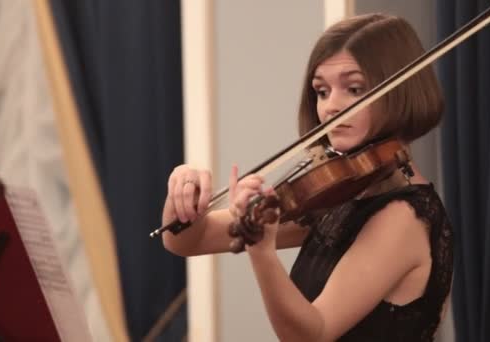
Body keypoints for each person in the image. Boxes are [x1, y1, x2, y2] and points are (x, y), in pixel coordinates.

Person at [162, 13, 453, 342]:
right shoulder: (342, 194)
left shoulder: (403, 217)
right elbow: (186, 240)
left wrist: (262, 253)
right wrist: (183, 191)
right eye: (322, 91)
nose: (332, 106)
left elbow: (313, 334)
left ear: (399, 91)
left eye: (354, 89)